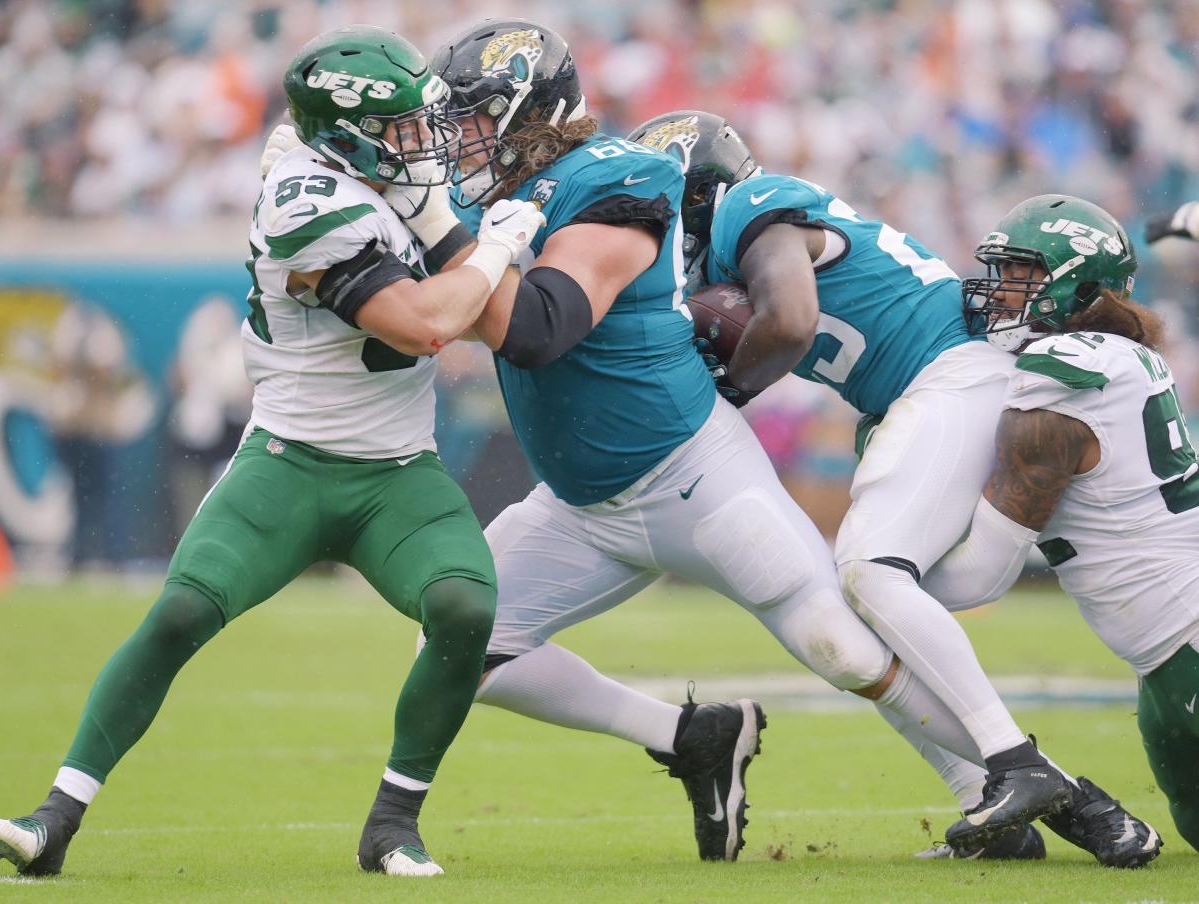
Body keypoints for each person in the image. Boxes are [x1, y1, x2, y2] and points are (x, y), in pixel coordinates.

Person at [375, 18, 1063, 865]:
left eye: (478, 116)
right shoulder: (504, 203)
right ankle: (692, 737)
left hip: (689, 474)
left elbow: (539, 328)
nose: (464, 138)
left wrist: (456, 247)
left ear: (532, 108)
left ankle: (1037, 785)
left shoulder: (620, 178)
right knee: (454, 647)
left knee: (842, 642)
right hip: (578, 501)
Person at [0, 25, 544, 879]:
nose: (417, 142)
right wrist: (495, 244)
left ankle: (393, 823)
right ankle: (56, 815)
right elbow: (429, 325)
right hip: (289, 464)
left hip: (398, 474)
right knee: (179, 613)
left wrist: (436, 215)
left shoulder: (382, 179)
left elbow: (493, 315)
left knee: (465, 610)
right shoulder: (303, 198)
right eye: (396, 127)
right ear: (347, 133)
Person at [627, 111, 1159, 866]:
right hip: (922, 393)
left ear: (696, 184)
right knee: (868, 627)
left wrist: (723, 387)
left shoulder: (752, 205)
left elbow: (789, 323)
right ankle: (1009, 801)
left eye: (657, 197)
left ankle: (1014, 763)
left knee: (869, 569)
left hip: (951, 375)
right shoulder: (719, 253)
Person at [917, 194, 1195, 859]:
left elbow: (982, 574)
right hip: (1162, 661)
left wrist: (877, 586)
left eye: (1021, 275)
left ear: (1080, 285)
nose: (1000, 290)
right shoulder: (1116, 356)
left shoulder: (1066, 376)